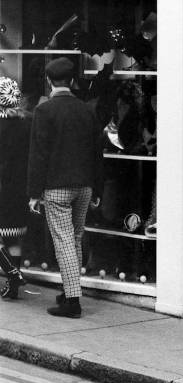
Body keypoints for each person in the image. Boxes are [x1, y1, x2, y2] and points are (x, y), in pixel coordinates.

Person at [27, 57, 103, 318]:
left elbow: (39, 155)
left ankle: (72, 301)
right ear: (71, 81)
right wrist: (98, 189)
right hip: (85, 186)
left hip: (57, 186)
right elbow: (97, 153)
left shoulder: (44, 111)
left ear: (49, 82)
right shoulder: (86, 110)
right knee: (76, 238)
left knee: (64, 242)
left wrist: (34, 193)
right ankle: (69, 289)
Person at [0, 77, 30, 299]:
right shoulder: (27, 123)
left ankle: (12, 272)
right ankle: (13, 286)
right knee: (14, 238)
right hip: (20, 188)